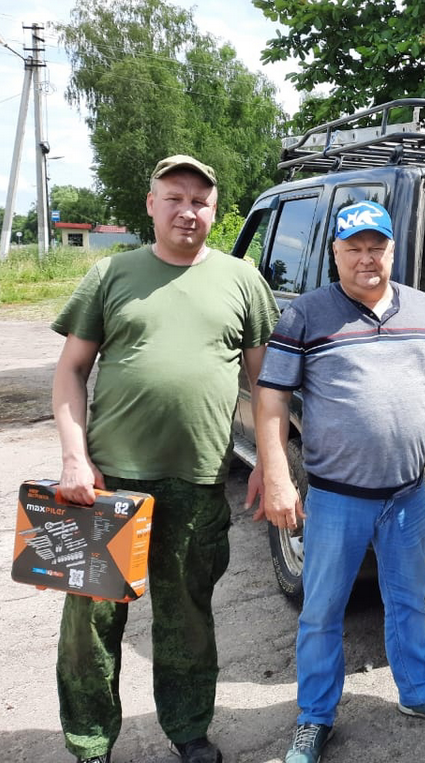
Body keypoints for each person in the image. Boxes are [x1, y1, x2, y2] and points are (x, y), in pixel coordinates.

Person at [50, 154, 280, 763]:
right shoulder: (111, 274)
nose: (188, 210)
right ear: (151, 205)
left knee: (187, 618)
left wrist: (268, 461)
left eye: (200, 200)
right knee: (91, 626)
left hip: (199, 482)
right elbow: (71, 370)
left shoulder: (242, 279)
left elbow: (266, 387)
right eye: (173, 197)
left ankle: (188, 730)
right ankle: (91, 742)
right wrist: (75, 457)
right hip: (109, 485)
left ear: (214, 209)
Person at [253, 200, 425, 763]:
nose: (366, 258)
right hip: (335, 498)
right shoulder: (305, 315)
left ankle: (418, 692)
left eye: (376, 247)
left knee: (410, 600)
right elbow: (273, 397)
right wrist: (278, 474)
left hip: (407, 497)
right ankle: (315, 716)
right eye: (353, 248)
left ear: (392, 251)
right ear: (335, 254)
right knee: (323, 610)